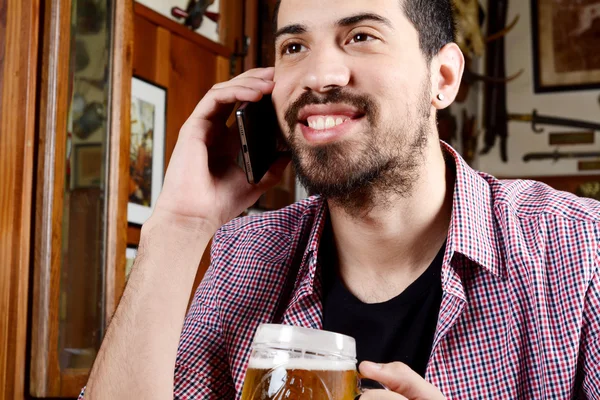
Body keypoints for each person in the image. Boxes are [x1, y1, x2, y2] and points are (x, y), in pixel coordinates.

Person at [81, 0, 600, 398]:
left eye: (360, 36)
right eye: (294, 48)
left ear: (442, 78)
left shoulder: (579, 246)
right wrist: (179, 226)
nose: (318, 76)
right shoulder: (245, 253)